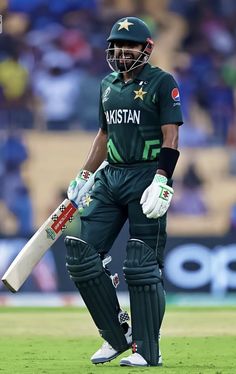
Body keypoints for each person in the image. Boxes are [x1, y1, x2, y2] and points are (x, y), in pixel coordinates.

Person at [65, 16, 183, 367]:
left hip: (147, 176)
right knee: (83, 256)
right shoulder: (107, 85)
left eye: (129, 45)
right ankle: (117, 336)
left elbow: (171, 136)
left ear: (146, 48)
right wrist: (85, 173)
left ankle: (148, 349)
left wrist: (162, 179)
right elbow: (104, 135)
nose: (121, 51)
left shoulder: (162, 82)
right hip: (110, 177)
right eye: (116, 44)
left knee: (142, 266)